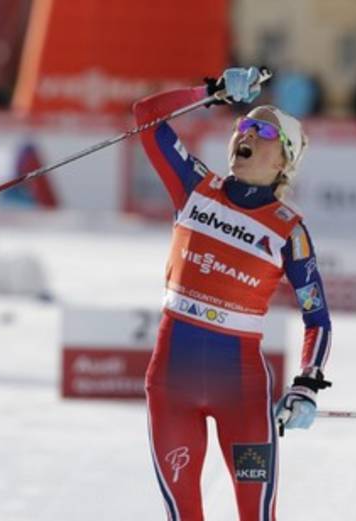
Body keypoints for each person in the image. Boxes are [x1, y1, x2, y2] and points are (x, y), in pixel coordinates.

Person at [133, 67, 333, 520]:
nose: (247, 132)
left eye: (264, 131)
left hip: (242, 396)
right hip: (171, 386)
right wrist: (210, 91)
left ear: (283, 162)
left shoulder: (289, 231)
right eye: (244, 124)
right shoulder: (195, 187)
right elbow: (146, 117)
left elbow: (317, 318)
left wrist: (307, 384)